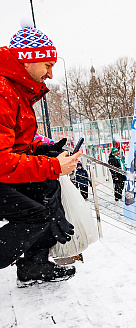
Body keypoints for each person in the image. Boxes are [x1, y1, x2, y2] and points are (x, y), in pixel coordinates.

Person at [0, 23, 81, 283]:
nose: (50, 74)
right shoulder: (3, 92)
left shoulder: (15, 90)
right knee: (37, 215)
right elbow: (2, 162)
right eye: (47, 65)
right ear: (28, 60)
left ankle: (33, 266)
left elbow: (14, 143)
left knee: (46, 189)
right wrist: (53, 166)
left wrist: (41, 149)